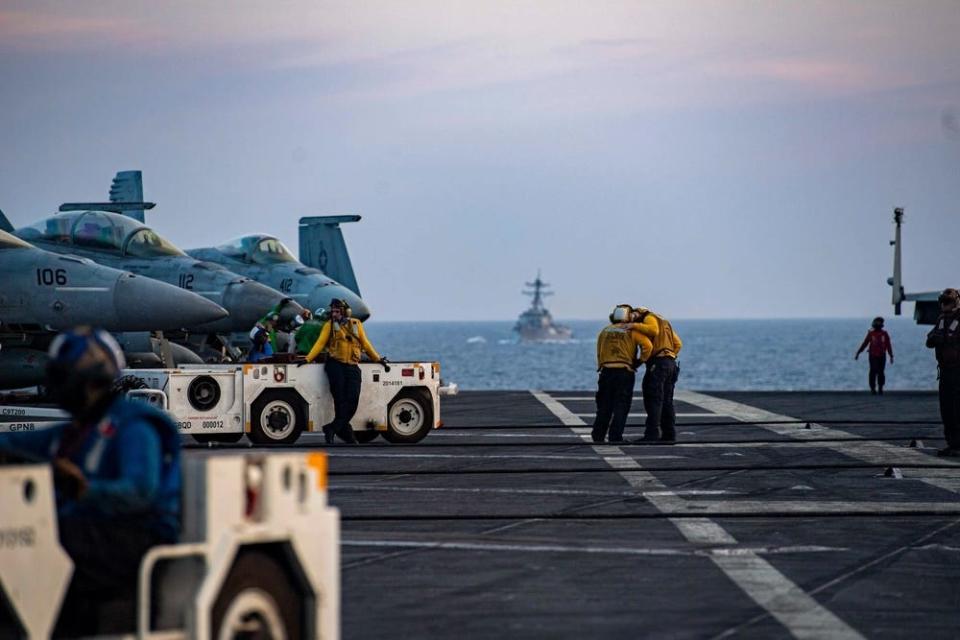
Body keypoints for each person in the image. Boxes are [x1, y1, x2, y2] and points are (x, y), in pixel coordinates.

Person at [0, 327, 181, 636]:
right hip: (91, 528)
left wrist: (85, 490)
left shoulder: (132, 425)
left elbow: (140, 491)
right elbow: (15, 443)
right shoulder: (74, 432)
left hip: (132, 533)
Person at [304, 298, 385, 444]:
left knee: (352, 401)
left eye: (337, 311)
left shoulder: (356, 324)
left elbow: (365, 344)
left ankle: (332, 428)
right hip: (335, 365)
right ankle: (344, 433)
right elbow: (320, 343)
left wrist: (378, 359)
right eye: (333, 311)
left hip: (352, 366)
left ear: (345, 311)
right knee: (340, 400)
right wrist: (307, 359)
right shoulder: (329, 326)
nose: (334, 314)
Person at [591, 304, 653, 443]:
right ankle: (615, 437)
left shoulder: (604, 331)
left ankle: (598, 435)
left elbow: (599, 350)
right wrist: (639, 361)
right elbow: (648, 346)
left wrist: (602, 364)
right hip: (624, 372)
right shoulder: (632, 331)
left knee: (604, 405)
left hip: (606, 372)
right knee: (621, 405)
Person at [631, 306, 683, 444]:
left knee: (653, 399)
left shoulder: (649, 318)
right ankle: (669, 434)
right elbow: (678, 344)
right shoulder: (664, 321)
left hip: (658, 364)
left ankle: (651, 435)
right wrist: (669, 357)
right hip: (670, 363)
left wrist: (633, 325)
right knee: (667, 401)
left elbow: (652, 330)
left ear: (640, 313)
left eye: (634, 315)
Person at [926, 288, 960, 457]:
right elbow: (930, 340)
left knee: (956, 408)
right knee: (946, 409)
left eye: (948, 301)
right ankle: (952, 443)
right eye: (942, 301)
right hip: (946, 371)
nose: (944, 304)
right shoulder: (940, 320)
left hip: (958, 371)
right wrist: (934, 339)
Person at [855, 317, 894, 394]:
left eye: (879, 322)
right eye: (877, 322)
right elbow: (865, 343)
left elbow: (888, 345)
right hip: (873, 355)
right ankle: (873, 388)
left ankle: (880, 387)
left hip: (882, 355)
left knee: (881, 372)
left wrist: (891, 356)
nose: (878, 324)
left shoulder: (884, 334)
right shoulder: (871, 334)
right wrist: (858, 352)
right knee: (873, 370)